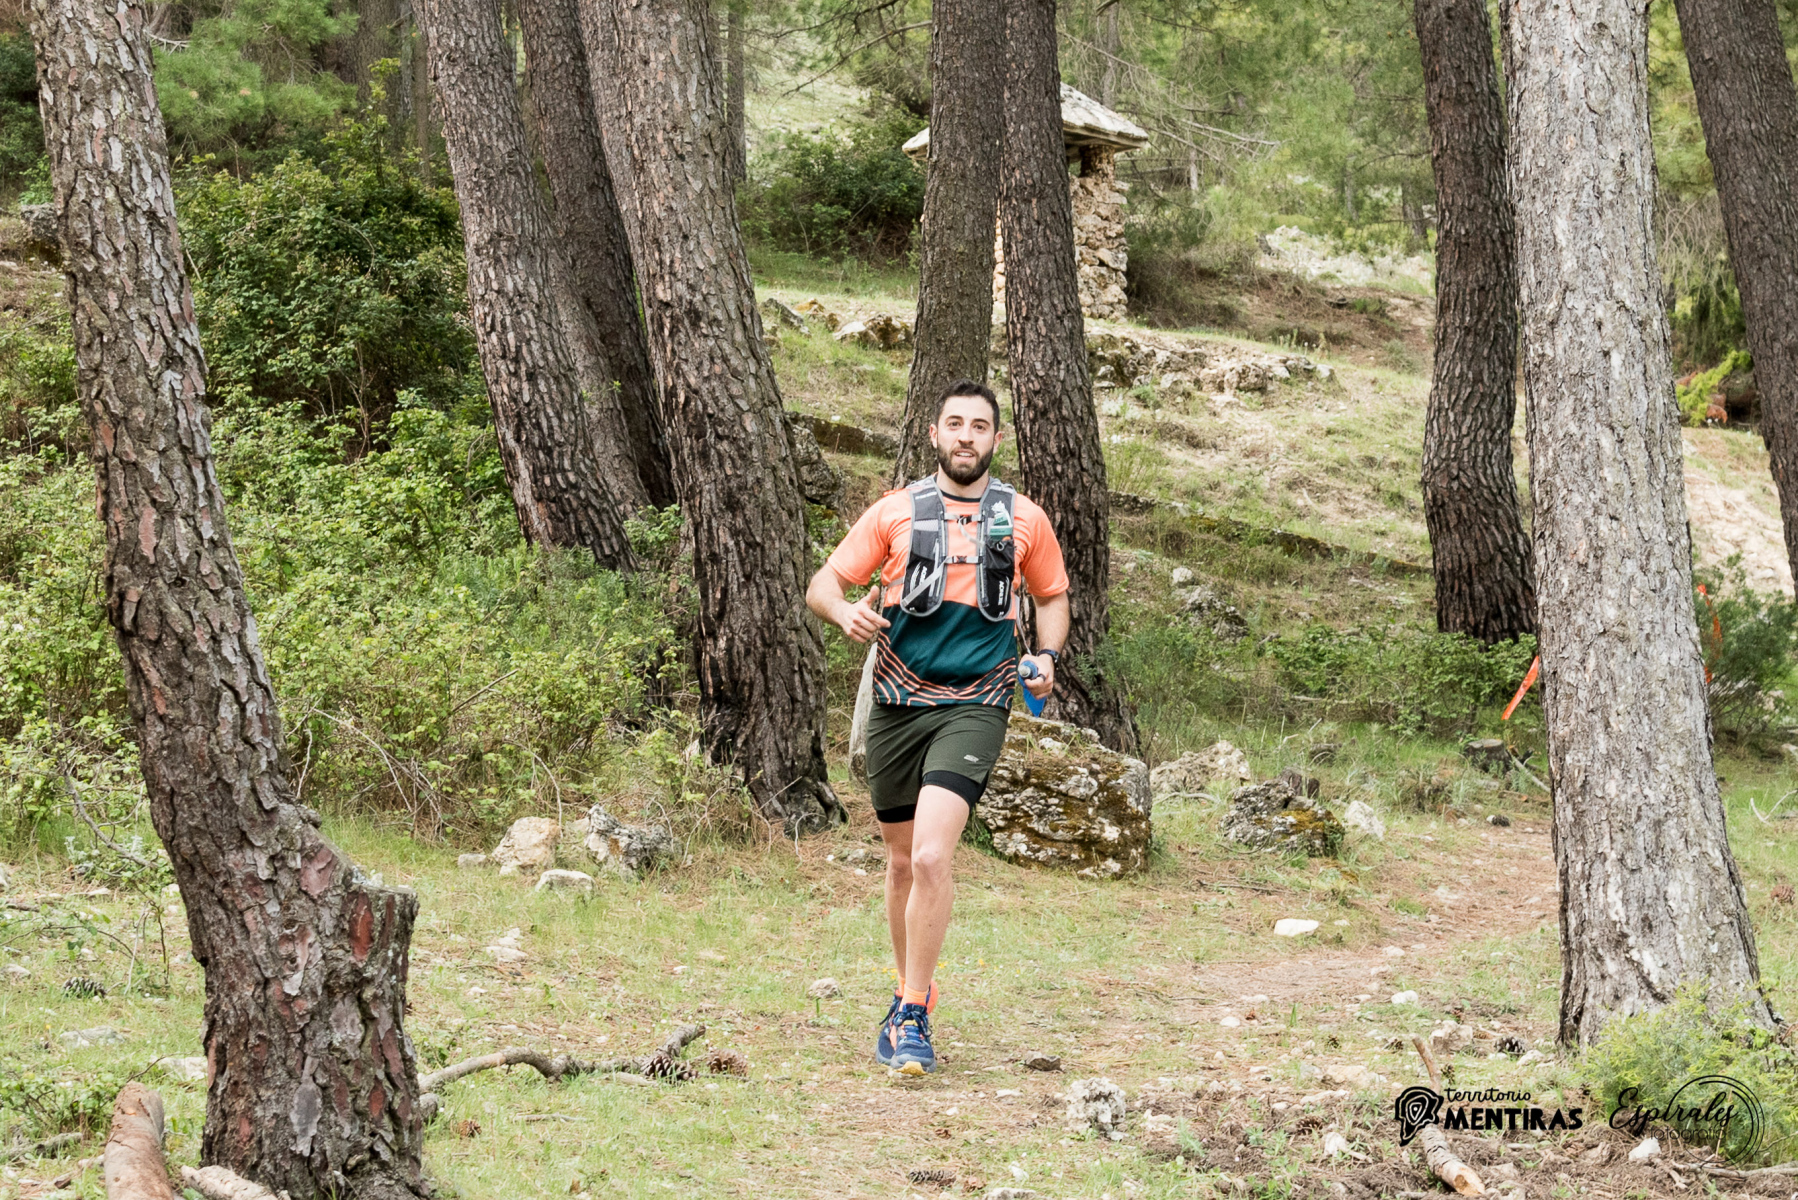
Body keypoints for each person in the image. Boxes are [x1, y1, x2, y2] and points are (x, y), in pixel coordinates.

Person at [805, 379, 1069, 1075]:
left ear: (996, 439)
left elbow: (1052, 596)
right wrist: (844, 613)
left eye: (979, 427)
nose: (966, 437)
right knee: (900, 863)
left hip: (978, 701)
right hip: (897, 702)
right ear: (934, 434)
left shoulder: (1024, 518)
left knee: (930, 857)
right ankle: (905, 993)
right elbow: (823, 584)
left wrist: (1045, 656)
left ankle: (914, 1013)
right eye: (955, 424)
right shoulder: (895, 511)